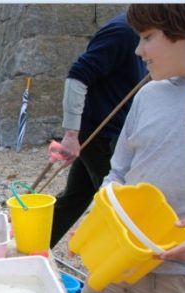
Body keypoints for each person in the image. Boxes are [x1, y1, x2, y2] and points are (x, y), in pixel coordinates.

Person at [74, 3, 185, 293]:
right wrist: (107, 204)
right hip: (114, 260)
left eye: (147, 38)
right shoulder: (150, 93)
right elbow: (118, 170)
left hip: (181, 279)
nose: (138, 51)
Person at [48, 12, 147, 248]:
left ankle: (31, 248)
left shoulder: (144, 33)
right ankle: (113, 264)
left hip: (107, 133)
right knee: (115, 207)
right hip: (100, 136)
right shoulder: (122, 32)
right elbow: (77, 76)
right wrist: (71, 134)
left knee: (75, 197)